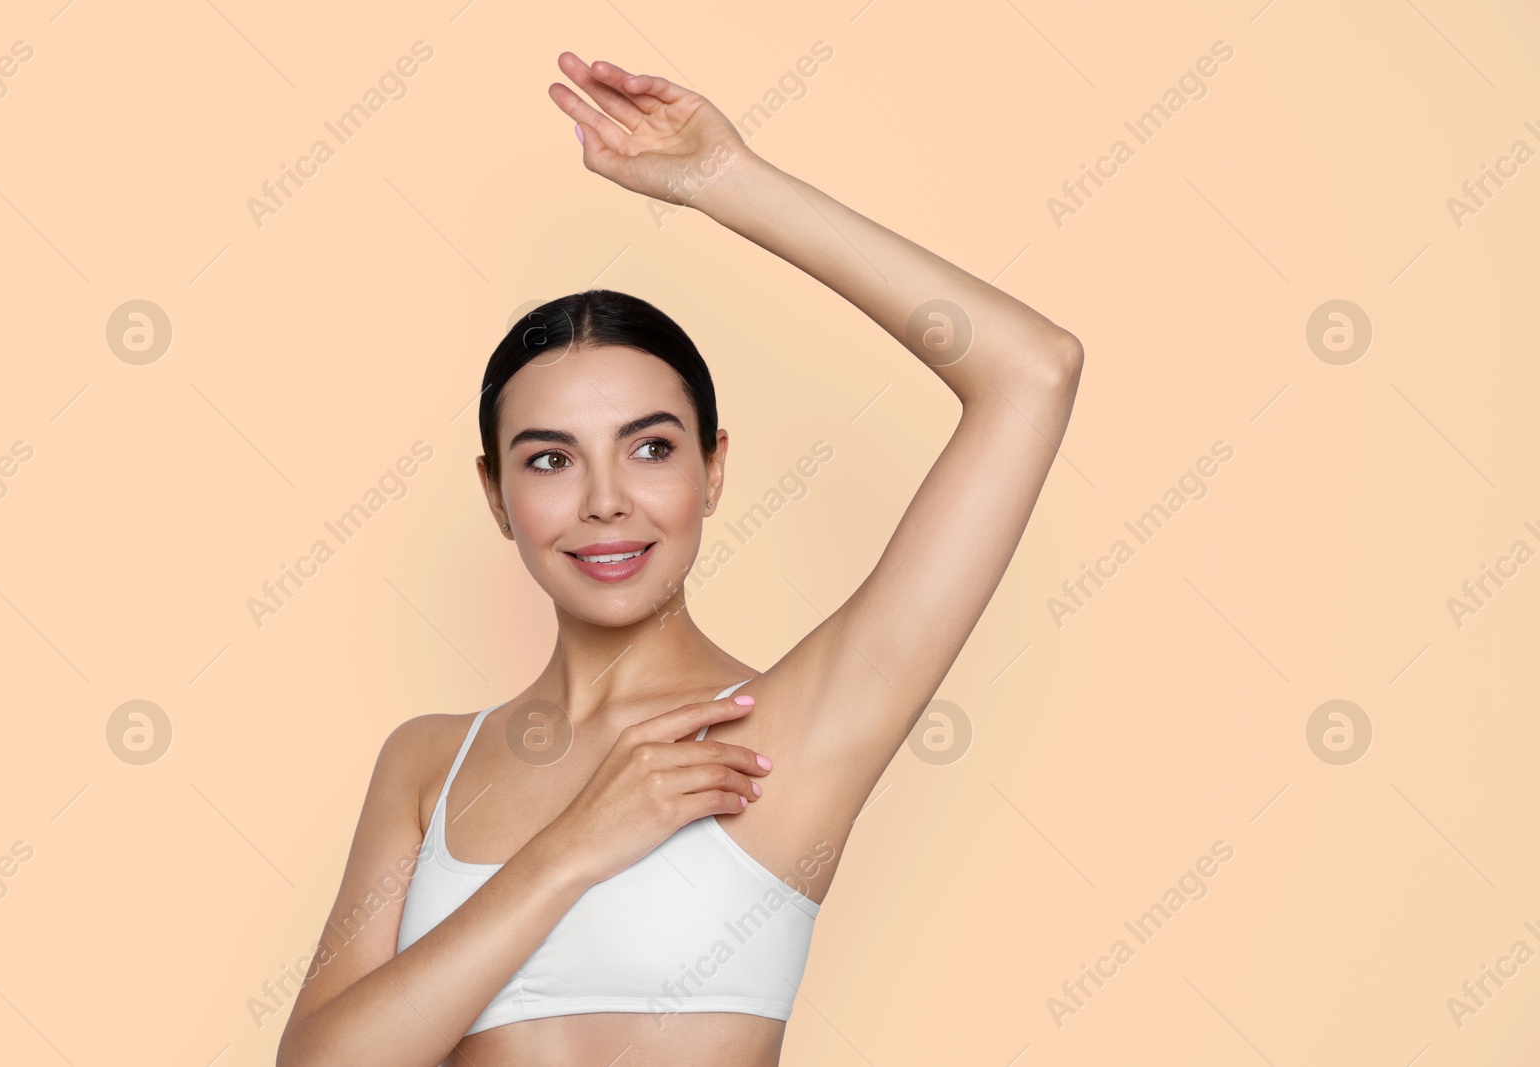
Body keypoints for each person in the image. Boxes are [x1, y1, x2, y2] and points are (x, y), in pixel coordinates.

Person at [276, 50, 1082, 1067]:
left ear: (712, 470)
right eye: (550, 458)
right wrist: (570, 849)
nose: (605, 498)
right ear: (496, 495)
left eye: (651, 447)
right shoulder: (429, 762)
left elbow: (1030, 369)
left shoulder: (787, 730)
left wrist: (726, 181)